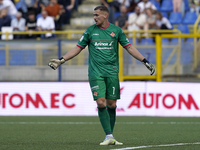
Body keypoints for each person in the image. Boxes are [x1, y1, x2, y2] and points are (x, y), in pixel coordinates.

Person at [48, 5, 155, 146]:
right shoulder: (90, 31)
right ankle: (108, 135)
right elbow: (77, 48)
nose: (94, 17)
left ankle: (111, 136)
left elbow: (129, 47)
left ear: (105, 15)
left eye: (97, 15)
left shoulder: (116, 31)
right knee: (101, 102)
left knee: (112, 104)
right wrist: (62, 60)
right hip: (95, 73)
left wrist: (144, 61)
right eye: (94, 15)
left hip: (112, 72)